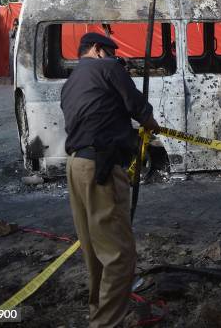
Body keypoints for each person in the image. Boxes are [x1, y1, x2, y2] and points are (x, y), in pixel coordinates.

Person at [60, 32, 159, 327]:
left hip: (76, 165)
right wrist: (151, 124)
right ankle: (105, 324)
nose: (116, 59)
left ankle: (98, 313)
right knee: (120, 256)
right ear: (96, 49)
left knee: (94, 250)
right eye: (112, 52)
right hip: (101, 167)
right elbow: (137, 105)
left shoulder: (72, 80)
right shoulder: (108, 68)